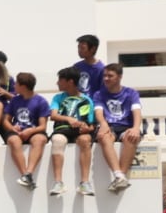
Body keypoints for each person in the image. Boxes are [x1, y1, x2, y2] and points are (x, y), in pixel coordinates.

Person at [94, 63, 143, 192]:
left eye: (110, 76)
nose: (106, 78)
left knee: (131, 137)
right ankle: (119, 175)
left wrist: (136, 128)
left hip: (126, 127)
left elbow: (137, 112)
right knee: (104, 137)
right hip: (109, 126)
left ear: (119, 77)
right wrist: (104, 125)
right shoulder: (99, 94)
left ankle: (121, 177)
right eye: (104, 75)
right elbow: (98, 112)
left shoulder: (131, 93)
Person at [49, 66, 97, 196]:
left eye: (60, 80)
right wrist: (68, 119)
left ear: (70, 82)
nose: (57, 83)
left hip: (79, 132)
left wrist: (87, 128)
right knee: (57, 140)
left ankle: (85, 183)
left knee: (86, 140)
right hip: (62, 129)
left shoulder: (86, 100)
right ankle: (58, 182)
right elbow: (53, 115)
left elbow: (91, 124)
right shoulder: (58, 98)